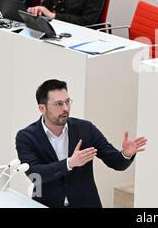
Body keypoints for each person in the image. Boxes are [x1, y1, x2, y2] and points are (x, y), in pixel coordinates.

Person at [15, 79, 147, 208]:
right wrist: (69, 163)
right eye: (59, 104)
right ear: (42, 108)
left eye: (67, 102)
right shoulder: (26, 137)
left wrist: (125, 154)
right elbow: (34, 175)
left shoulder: (86, 129)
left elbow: (116, 162)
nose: (65, 108)